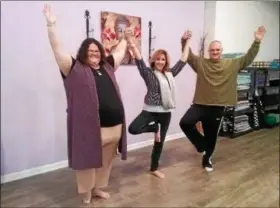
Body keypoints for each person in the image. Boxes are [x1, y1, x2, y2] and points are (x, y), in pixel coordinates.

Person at [43, 4, 129, 204]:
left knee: (106, 162)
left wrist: (125, 39)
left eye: (97, 51)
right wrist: (51, 25)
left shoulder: (107, 66)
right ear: (84, 52)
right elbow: (57, 51)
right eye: (90, 51)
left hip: (115, 126)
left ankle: (98, 188)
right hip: (92, 129)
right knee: (87, 163)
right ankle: (87, 192)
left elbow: (120, 52)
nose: (94, 54)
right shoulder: (73, 68)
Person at [179, 26, 266, 172]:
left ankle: (207, 159)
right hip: (200, 104)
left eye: (217, 50)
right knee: (185, 123)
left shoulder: (231, 64)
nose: (215, 52)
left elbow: (248, 58)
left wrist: (257, 41)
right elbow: (188, 56)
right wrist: (184, 41)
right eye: (212, 50)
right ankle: (201, 145)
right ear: (209, 52)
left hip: (218, 107)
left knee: (211, 135)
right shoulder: (201, 63)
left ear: (221, 51)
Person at [126, 28, 191, 179]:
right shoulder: (147, 73)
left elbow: (183, 59)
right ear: (153, 60)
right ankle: (155, 128)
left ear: (165, 61)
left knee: (159, 143)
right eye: (158, 59)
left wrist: (187, 42)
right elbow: (138, 57)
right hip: (149, 111)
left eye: (163, 59)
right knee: (133, 128)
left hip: (165, 113)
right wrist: (130, 40)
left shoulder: (170, 73)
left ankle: (154, 168)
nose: (160, 62)